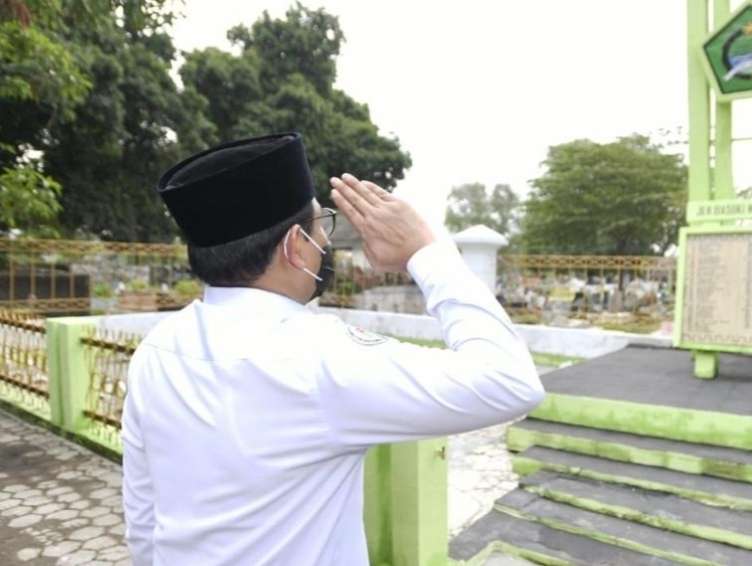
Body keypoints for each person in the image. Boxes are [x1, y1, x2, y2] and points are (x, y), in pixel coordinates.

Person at [121, 132, 545, 566]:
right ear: (294, 246)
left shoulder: (158, 349)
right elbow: (510, 381)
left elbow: (143, 511)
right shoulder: (321, 358)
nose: (325, 239)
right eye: (320, 224)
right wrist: (426, 252)